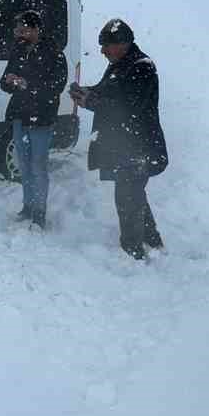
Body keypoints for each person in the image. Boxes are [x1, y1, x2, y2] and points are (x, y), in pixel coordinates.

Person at [69, 19, 168, 259]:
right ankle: (152, 241)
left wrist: (89, 102)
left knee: (127, 197)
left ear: (122, 43)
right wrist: (87, 92)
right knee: (134, 194)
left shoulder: (141, 66)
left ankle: (133, 252)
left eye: (106, 46)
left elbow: (128, 107)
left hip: (138, 146)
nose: (102, 51)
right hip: (124, 145)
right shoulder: (120, 64)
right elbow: (108, 91)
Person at [0, 9, 69, 227]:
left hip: (41, 117)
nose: (19, 33)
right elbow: (4, 81)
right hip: (19, 115)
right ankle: (27, 206)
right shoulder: (18, 50)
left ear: (36, 29)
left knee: (38, 166)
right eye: (18, 29)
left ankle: (39, 212)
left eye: (24, 29)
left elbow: (56, 86)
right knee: (24, 164)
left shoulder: (54, 53)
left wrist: (26, 84)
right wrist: (9, 81)